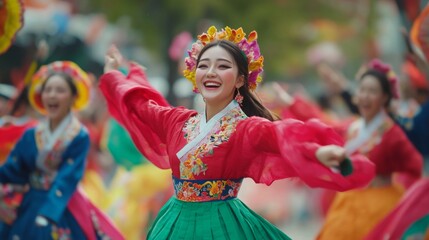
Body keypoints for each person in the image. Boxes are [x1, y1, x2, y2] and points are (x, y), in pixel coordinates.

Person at [99, 26, 375, 239]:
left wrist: (319, 151)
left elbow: (280, 136)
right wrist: (115, 76)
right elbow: (142, 106)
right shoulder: (178, 122)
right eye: (204, 65)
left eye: (223, 66)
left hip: (220, 224)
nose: (211, 72)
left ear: (241, 80)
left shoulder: (245, 128)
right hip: (174, 220)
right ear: (194, 76)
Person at [0, 61, 124, 239]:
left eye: (59, 90)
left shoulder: (79, 135)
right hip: (31, 202)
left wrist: (49, 212)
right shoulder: (31, 134)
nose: (52, 95)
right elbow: (14, 169)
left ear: (73, 97)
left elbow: (68, 177)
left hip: (62, 205)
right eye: (48, 90)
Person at [317, 59, 423, 240]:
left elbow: (416, 167)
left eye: (372, 91)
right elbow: (321, 127)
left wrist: (409, 206)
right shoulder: (353, 127)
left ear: (384, 97)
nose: (365, 96)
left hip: (382, 205)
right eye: (362, 90)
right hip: (350, 202)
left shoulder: (393, 133)